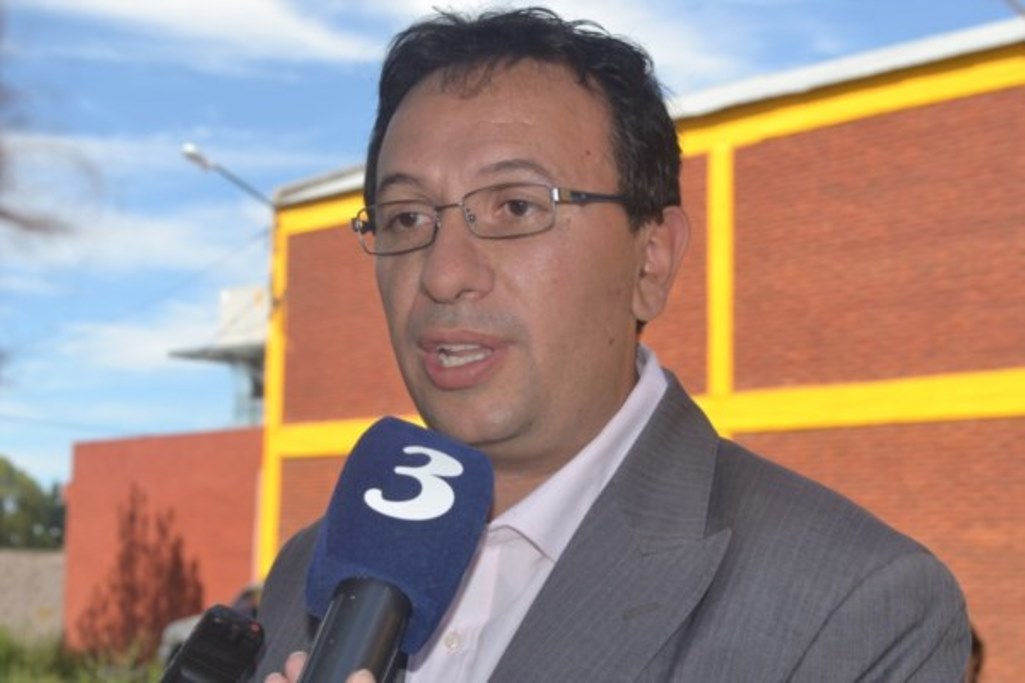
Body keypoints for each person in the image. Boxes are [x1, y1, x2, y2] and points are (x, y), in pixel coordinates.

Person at [255, 7, 970, 682]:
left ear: (650, 261)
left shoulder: (853, 608)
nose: (443, 274)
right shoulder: (312, 570)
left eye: (516, 207)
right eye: (406, 217)